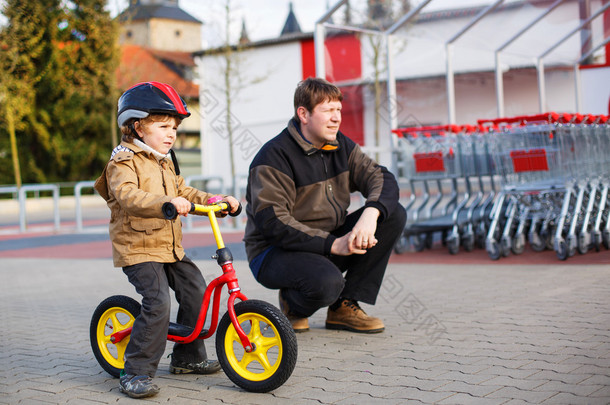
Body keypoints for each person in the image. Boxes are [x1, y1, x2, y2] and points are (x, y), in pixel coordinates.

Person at [94, 81, 240, 399]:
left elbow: (183, 192)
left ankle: (187, 359)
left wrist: (215, 199)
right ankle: (135, 371)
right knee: (158, 302)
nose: (171, 133)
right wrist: (165, 204)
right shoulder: (123, 161)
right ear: (135, 127)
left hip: (169, 246)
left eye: (174, 126)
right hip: (138, 248)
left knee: (196, 290)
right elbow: (128, 196)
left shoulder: (165, 159)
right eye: (163, 125)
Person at [244, 77, 406, 335]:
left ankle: (344, 305)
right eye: (328, 110)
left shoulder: (341, 145)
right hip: (274, 252)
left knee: (392, 214)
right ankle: (293, 304)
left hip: (326, 242)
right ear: (303, 114)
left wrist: (370, 215)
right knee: (327, 283)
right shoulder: (274, 156)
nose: (336, 118)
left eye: (338, 110)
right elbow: (273, 223)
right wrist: (333, 244)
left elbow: (381, 177)